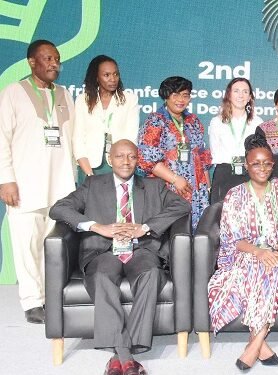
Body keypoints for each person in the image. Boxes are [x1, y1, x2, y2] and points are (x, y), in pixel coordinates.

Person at [49, 139, 190, 375]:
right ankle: (128, 358)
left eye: (132, 157)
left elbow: (182, 205)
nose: (126, 162)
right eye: (119, 156)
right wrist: (96, 226)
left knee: (151, 274)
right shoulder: (92, 184)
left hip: (141, 249)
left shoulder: (154, 187)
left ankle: (118, 358)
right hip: (103, 249)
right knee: (102, 276)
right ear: (109, 159)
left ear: (137, 160)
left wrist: (144, 228)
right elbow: (59, 208)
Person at [208, 131, 278, 371]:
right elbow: (231, 238)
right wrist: (258, 252)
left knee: (270, 266)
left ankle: (255, 343)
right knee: (256, 265)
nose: (262, 168)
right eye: (256, 163)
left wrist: (277, 251)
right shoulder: (234, 195)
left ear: (273, 165)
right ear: (247, 165)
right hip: (245, 255)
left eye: (267, 163)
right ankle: (260, 343)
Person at [0, 40, 76, 324]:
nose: (54, 63)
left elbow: (73, 139)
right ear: (32, 62)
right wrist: (5, 179)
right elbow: (1, 140)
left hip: (60, 186)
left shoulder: (65, 94)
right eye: (47, 58)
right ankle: (32, 300)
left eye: (56, 59)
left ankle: (51, 296)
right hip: (25, 185)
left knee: (53, 245)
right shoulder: (12, 93)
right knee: (26, 244)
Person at [137, 76, 212, 229]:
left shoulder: (193, 121)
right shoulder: (155, 121)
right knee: (173, 235)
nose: (181, 99)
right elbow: (146, 159)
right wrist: (175, 179)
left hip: (196, 190)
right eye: (175, 95)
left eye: (185, 95)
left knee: (198, 234)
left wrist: (207, 187)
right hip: (168, 188)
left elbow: (201, 157)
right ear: (166, 96)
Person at [73, 55, 140, 182]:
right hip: (89, 166)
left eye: (116, 74)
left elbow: (131, 138)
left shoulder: (130, 99)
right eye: (107, 75)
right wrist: (88, 174)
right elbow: (78, 138)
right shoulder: (83, 100)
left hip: (120, 166)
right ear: (96, 77)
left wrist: (124, 167)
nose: (113, 79)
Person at [208, 78, 262, 203]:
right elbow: (214, 151)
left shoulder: (257, 122)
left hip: (249, 174)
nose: (241, 95)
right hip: (224, 174)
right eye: (236, 91)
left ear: (250, 97)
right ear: (229, 95)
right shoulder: (216, 122)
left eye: (245, 91)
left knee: (249, 218)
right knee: (221, 217)